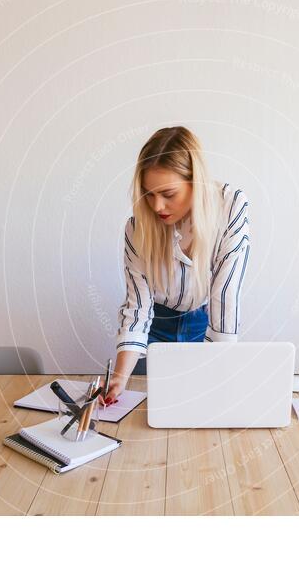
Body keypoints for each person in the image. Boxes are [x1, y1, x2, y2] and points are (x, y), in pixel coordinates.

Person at [101, 126, 251, 406]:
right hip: (155, 328)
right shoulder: (137, 229)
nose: (157, 206)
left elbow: (225, 295)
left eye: (168, 194)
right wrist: (120, 377)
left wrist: (222, 371)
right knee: (153, 409)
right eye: (148, 194)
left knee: (202, 404)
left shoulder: (230, 207)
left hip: (203, 324)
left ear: (196, 182)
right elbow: (138, 307)